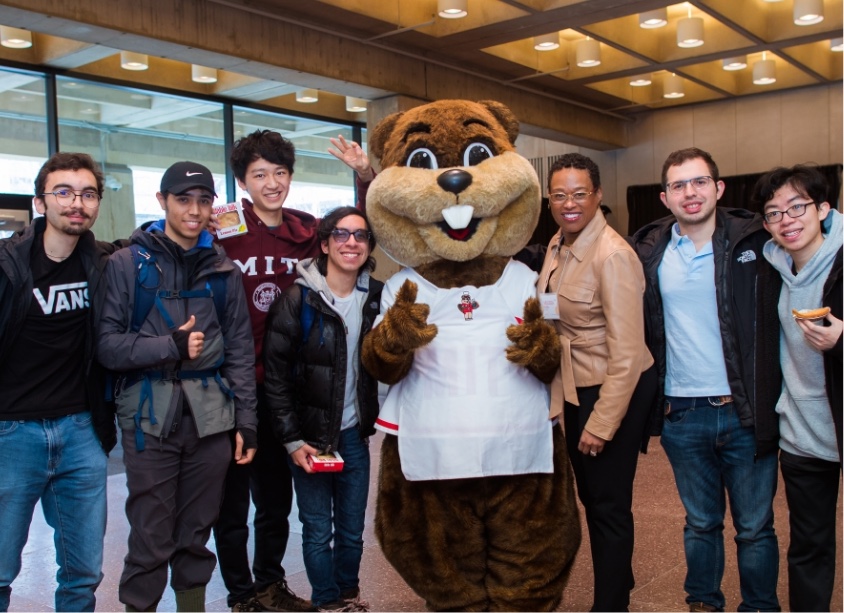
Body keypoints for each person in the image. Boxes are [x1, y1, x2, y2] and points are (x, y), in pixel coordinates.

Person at [212, 131, 371, 612]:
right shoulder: (226, 228)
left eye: (280, 173)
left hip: (291, 389)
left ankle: (269, 583)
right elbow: (182, 236)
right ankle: (241, 594)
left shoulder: (305, 231)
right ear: (243, 181)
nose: (272, 183)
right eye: (260, 174)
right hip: (236, 383)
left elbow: (361, 228)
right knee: (235, 501)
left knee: (279, 502)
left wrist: (365, 175)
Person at [98, 161, 258, 612]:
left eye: (203, 200)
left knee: (196, 533)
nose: (193, 210)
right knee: (151, 534)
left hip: (212, 419)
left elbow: (241, 353)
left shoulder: (225, 272)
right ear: (162, 201)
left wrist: (246, 420)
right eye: (183, 199)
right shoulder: (127, 264)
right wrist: (169, 346)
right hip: (150, 417)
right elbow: (108, 346)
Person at [630, 147, 782, 613]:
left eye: (699, 182)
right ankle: (703, 604)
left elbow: (813, 235)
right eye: (679, 185)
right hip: (683, 413)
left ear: (718, 189)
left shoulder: (754, 241)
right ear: (665, 197)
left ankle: (759, 607)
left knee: (755, 527)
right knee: (700, 523)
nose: (689, 192)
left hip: (745, 409)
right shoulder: (648, 250)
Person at [536, 153, 656, 612]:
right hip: (574, 384)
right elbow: (551, 310)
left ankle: (612, 605)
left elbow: (627, 354)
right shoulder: (557, 244)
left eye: (579, 194)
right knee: (590, 494)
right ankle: (619, 579)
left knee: (607, 505)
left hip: (613, 385)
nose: (569, 203)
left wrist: (603, 422)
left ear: (598, 196)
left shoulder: (614, 256)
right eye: (560, 195)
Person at [0, 152, 116, 612]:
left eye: (88, 194)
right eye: (63, 192)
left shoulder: (103, 261)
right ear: (39, 202)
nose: (77, 203)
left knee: (83, 574)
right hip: (12, 432)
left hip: (80, 431)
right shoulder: (7, 266)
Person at [264, 206, 381, 612]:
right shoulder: (298, 300)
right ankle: (328, 603)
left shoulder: (378, 298)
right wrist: (292, 440)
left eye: (361, 236)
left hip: (353, 435)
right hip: (311, 439)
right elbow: (275, 379)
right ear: (326, 242)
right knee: (317, 531)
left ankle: (349, 595)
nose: (352, 243)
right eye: (342, 234)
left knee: (351, 531)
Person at [752, 164, 842, 612]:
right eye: (774, 213)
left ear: (824, 209)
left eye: (797, 207)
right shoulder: (771, 270)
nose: (786, 219)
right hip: (804, 434)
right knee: (809, 545)